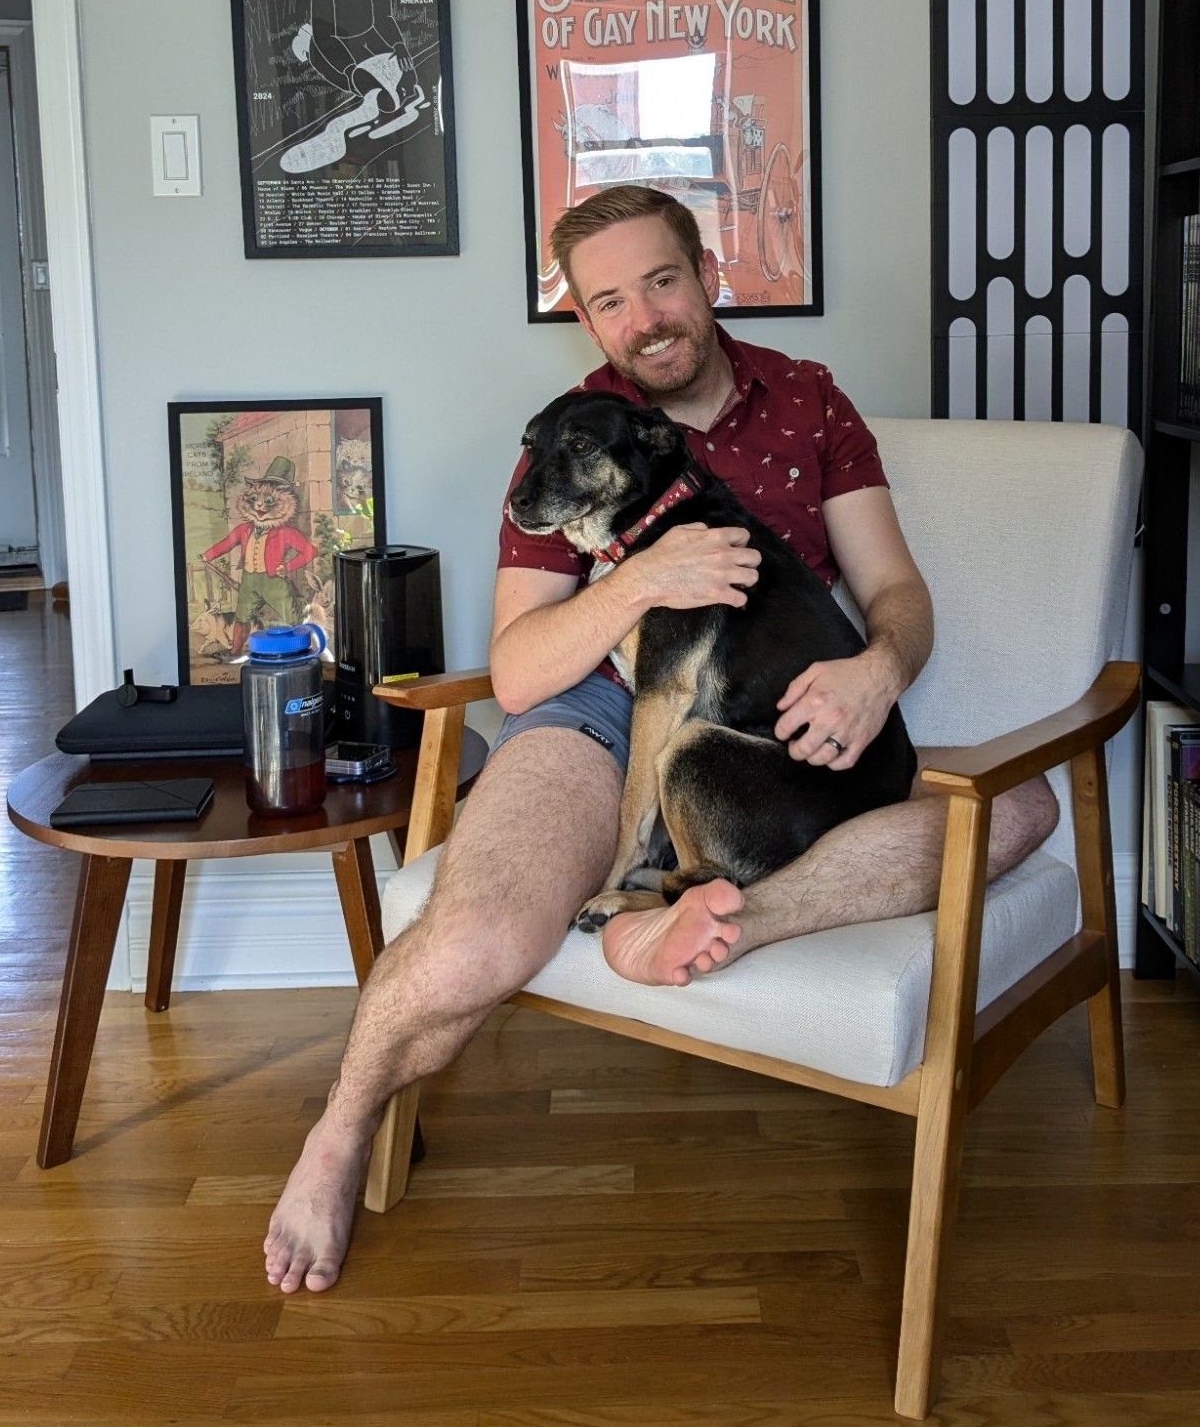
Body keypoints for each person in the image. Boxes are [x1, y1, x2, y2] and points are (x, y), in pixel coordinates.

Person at [264, 186, 1058, 1295]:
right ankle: (341, 1129)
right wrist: (640, 579)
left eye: (661, 281)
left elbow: (895, 589)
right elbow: (521, 665)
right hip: (596, 717)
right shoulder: (567, 431)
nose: (643, 317)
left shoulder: (810, 401)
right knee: (472, 939)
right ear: (587, 322)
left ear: (708, 274)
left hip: (791, 718)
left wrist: (879, 671)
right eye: (609, 301)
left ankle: (715, 916)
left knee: (1027, 808)